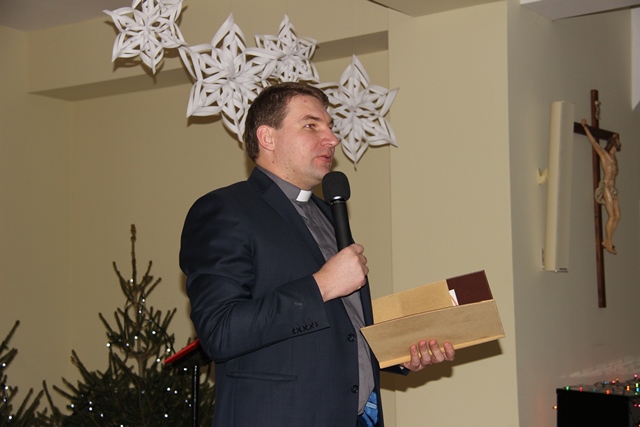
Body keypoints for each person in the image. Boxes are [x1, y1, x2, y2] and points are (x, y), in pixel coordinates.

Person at [180, 82, 455, 427]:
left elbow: (341, 329)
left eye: (330, 126)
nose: (332, 139)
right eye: (311, 125)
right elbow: (220, 331)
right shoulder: (226, 210)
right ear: (267, 138)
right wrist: (321, 285)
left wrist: (399, 352)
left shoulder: (328, 213)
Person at [581, 119, 621, 255]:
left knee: (618, 216)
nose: (619, 144)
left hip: (613, 189)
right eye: (617, 142)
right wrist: (585, 127)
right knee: (612, 216)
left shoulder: (614, 158)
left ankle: (607, 240)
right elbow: (594, 143)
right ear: (613, 144)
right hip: (606, 187)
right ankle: (608, 241)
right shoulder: (604, 155)